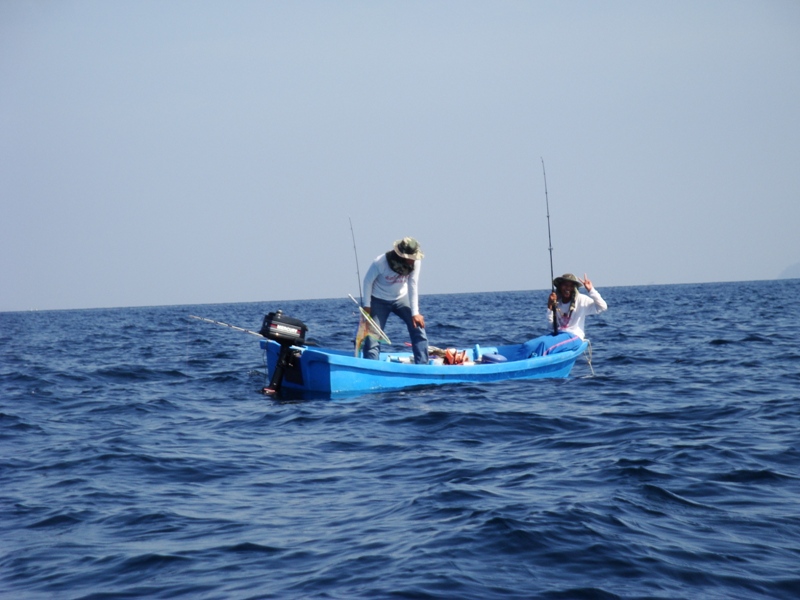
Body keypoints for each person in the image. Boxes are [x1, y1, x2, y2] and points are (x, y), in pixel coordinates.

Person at [361, 237, 429, 364]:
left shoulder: (416, 261)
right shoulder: (380, 262)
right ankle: (371, 365)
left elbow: (413, 284)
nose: (412, 259)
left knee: (418, 327)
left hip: (401, 298)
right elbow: (367, 282)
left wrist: (415, 313)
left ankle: (422, 364)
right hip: (378, 299)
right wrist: (367, 306)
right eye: (410, 257)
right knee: (373, 335)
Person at [547, 273, 608, 340]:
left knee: (544, 345)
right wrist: (550, 306)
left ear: (574, 288)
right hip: (559, 336)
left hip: (575, 337)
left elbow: (603, 307)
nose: (568, 288)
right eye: (565, 285)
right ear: (560, 287)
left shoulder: (581, 299)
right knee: (535, 343)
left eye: (571, 286)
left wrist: (591, 290)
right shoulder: (556, 302)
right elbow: (551, 327)